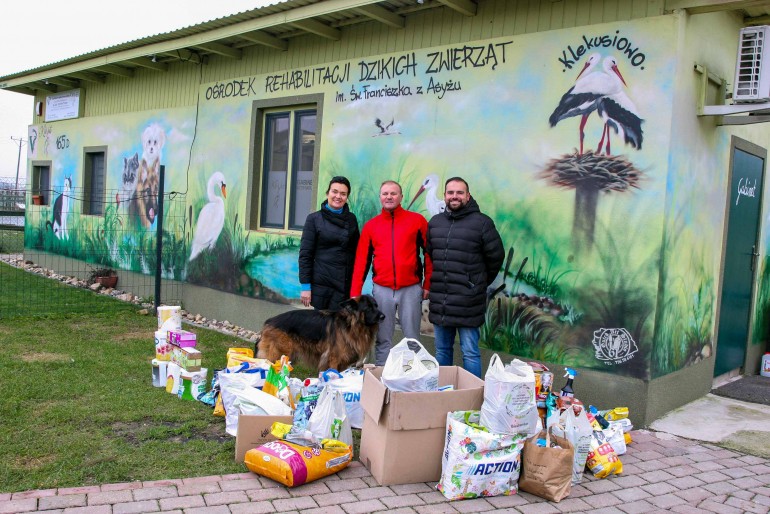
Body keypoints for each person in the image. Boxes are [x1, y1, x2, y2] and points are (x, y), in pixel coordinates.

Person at [426, 177, 504, 377]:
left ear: (468, 196)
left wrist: (477, 283)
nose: (454, 196)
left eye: (459, 192)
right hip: (441, 300)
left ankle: (472, 400)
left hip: (468, 302)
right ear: (444, 196)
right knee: (442, 351)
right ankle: (442, 395)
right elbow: (431, 253)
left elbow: (496, 257)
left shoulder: (482, 223)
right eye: (450, 192)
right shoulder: (435, 223)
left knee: (470, 353)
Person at [350, 180, 432, 365]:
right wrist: (355, 292)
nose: (389, 197)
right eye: (385, 194)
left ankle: (413, 375)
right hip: (382, 289)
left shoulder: (417, 221)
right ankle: (381, 377)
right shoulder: (371, 226)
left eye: (393, 193)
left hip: (410, 289)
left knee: (412, 338)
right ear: (380, 197)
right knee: (383, 337)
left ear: (401, 197)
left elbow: (429, 253)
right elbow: (361, 260)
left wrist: (427, 283)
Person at [298, 176, 360, 310]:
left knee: (341, 328)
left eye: (343, 194)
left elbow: (356, 252)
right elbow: (305, 255)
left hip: (344, 284)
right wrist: (305, 287)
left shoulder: (351, 219)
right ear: (328, 193)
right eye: (335, 191)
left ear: (347, 197)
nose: (338, 196)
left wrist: (355, 286)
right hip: (322, 284)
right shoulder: (314, 219)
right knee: (323, 327)